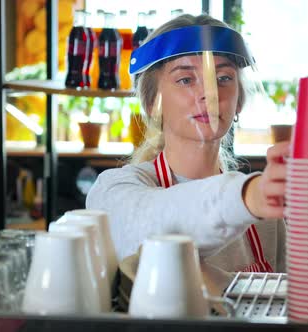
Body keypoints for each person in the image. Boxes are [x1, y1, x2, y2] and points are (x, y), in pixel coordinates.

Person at [86, 14, 288, 286]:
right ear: (151, 104)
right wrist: (249, 197)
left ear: (238, 102)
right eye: (185, 80)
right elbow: (155, 224)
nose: (209, 93)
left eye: (224, 77)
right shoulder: (113, 190)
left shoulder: (266, 219)